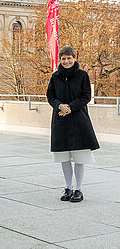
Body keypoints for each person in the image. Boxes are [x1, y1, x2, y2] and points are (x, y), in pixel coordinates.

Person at [46, 46, 99, 203]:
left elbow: (86, 96)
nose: (66, 61)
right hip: (60, 121)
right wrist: (59, 106)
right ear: (60, 60)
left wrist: (70, 107)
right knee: (64, 157)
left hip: (79, 121)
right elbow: (50, 96)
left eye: (69, 58)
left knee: (79, 156)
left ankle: (78, 189)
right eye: (63, 58)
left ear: (74, 58)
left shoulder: (82, 75)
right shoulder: (55, 77)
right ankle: (68, 187)